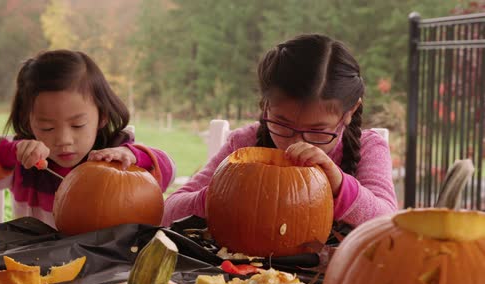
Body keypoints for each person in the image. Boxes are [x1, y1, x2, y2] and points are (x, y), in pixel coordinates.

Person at [163, 34, 397, 227]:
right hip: (245, 276)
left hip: (332, 278)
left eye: (317, 130)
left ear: (349, 113)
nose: (295, 142)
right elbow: (168, 211)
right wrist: (220, 195)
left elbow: (388, 223)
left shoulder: (368, 148)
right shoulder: (244, 143)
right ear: (265, 105)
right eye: (282, 124)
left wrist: (339, 186)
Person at [0, 50, 175, 228]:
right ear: (28, 121)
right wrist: (11, 152)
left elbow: (169, 172)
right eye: (47, 127)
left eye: (78, 125)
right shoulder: (24, 164)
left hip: (107, 274)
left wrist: (133, 156)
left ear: (102, 116)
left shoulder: (119, 158)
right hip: (37, 271)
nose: (63, 139)